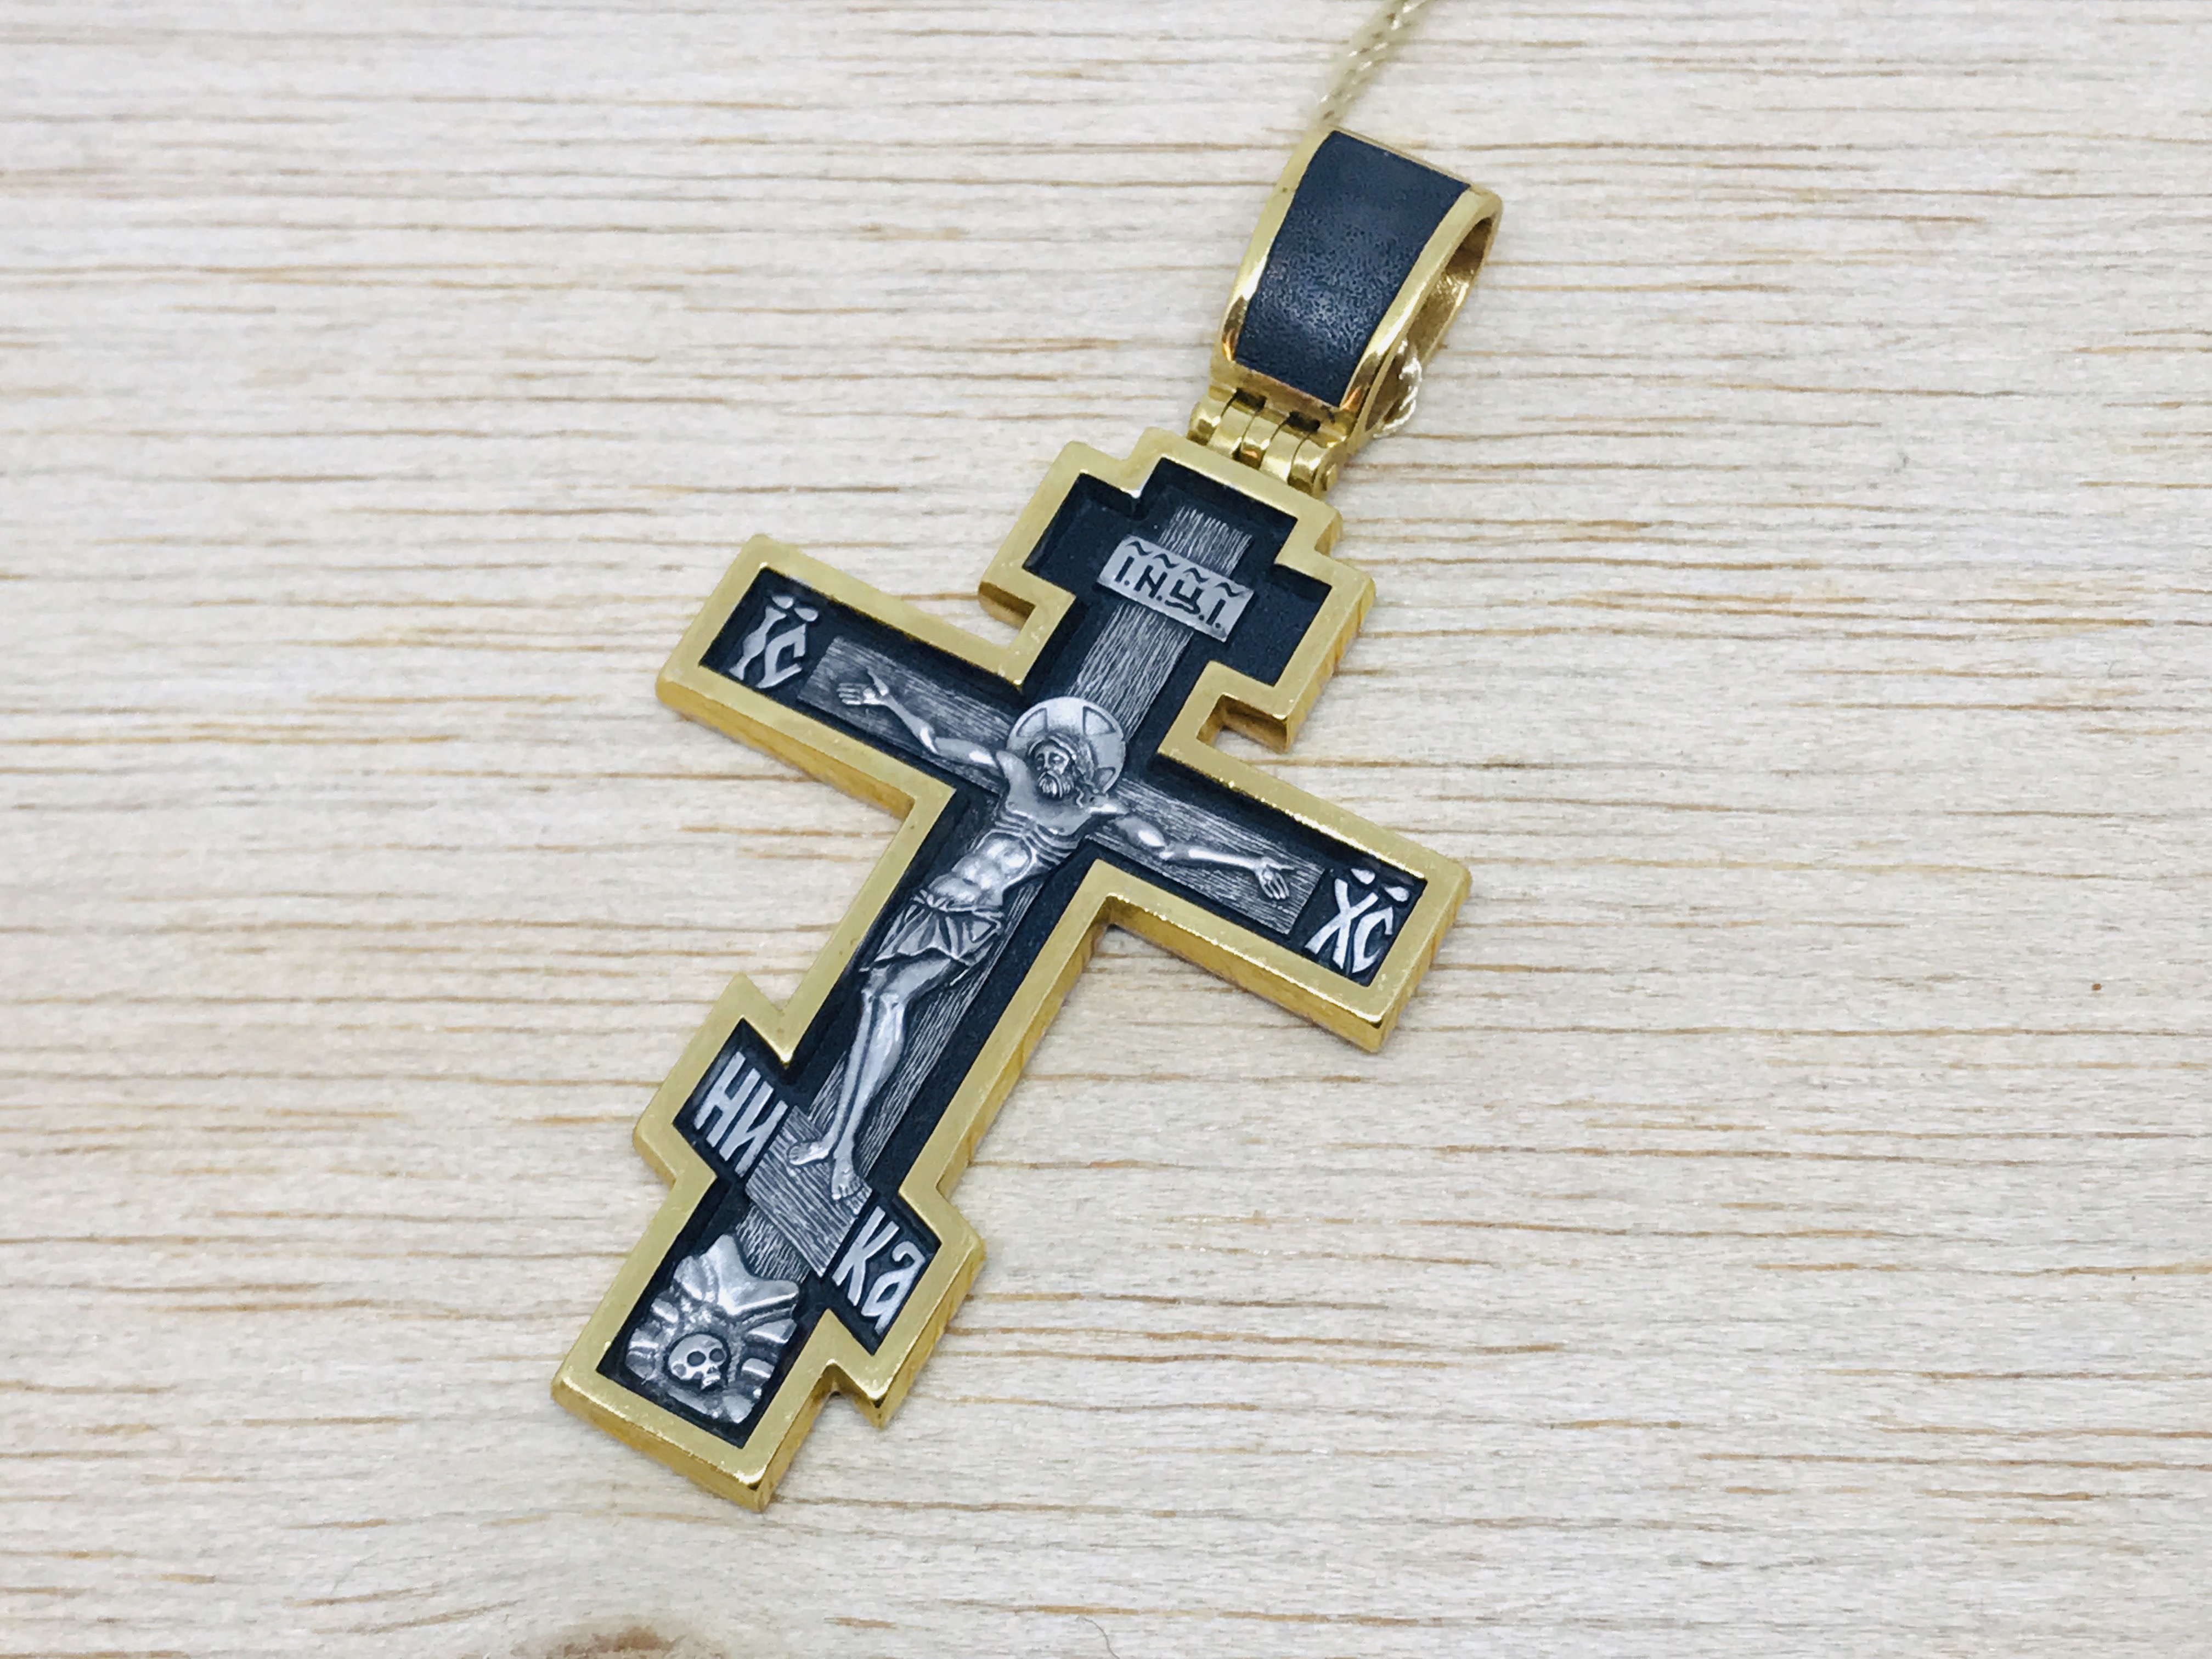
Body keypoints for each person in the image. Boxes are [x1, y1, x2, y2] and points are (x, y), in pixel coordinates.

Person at [791, 672, 1293, 1199]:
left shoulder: (1095, 810)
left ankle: (846, 1147)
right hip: (933, 900)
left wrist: (1250, 863)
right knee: (872, 997)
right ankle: (832, 1141)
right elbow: (938, 742)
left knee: (895, 999)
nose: (1048, 765)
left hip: (974, 917)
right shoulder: (1016, 774)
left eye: (1060, 760)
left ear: (1082, 770)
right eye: (1044, 756)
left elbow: (1166, 848)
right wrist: (890, 701)